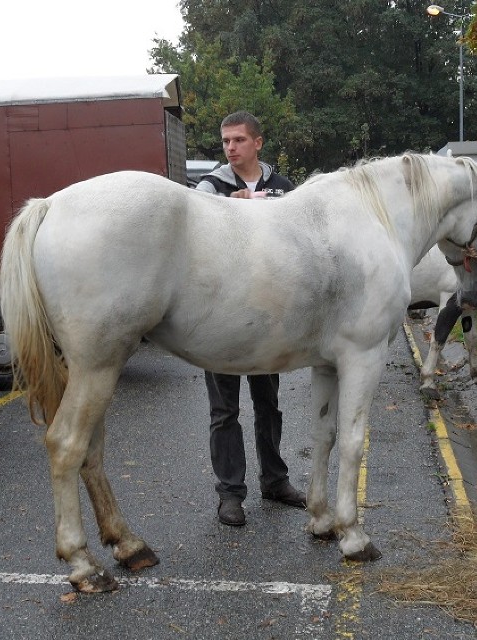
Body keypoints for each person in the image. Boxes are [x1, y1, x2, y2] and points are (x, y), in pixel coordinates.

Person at [196, 111, 305, 527]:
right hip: (217, 317)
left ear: (258, 143)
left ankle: (275, 482)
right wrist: (226, 207)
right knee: (224, 411)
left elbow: (299, 243)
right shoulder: (211, 186)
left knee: (268, 404)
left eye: (238, 140)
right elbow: (196, 224)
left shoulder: (282, 188)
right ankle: (230, 495)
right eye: (225, 141)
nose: (230, 148)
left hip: (266, 316)